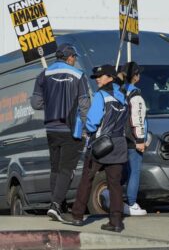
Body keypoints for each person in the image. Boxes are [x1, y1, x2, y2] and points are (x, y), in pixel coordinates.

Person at [61, 64, 128, 232]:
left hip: (100, 145)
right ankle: (116, 221)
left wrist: (86, 130)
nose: (98, 78)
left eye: (101, 76)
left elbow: (92, 123)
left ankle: (77, 216)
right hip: (119, 145)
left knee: (87, 180)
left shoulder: (101, 96)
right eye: (96, 76)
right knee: (115, 185)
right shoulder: (123, 97)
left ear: (110, 77)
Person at [30, 43, 90, 221]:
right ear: (69, 57)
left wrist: (51, 102)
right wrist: (89, 129)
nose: (75, 60)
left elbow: (36, 104)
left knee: (55, 168)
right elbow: (85, 106)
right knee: (67, 169)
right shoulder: (79, 75)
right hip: (71, 129)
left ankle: (57, 204)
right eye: (75, 57)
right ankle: (56, 205)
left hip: (51, 128)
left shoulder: (43, 74)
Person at [121, 61, 147, 216]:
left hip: (120, 138)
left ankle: (111, 196)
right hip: (132, 139)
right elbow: (137, 119)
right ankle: (131, 203)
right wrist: (140, 140)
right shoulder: (135, 95)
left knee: (122, 171)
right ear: (135, 76)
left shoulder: (119, 91)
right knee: (134, 171)